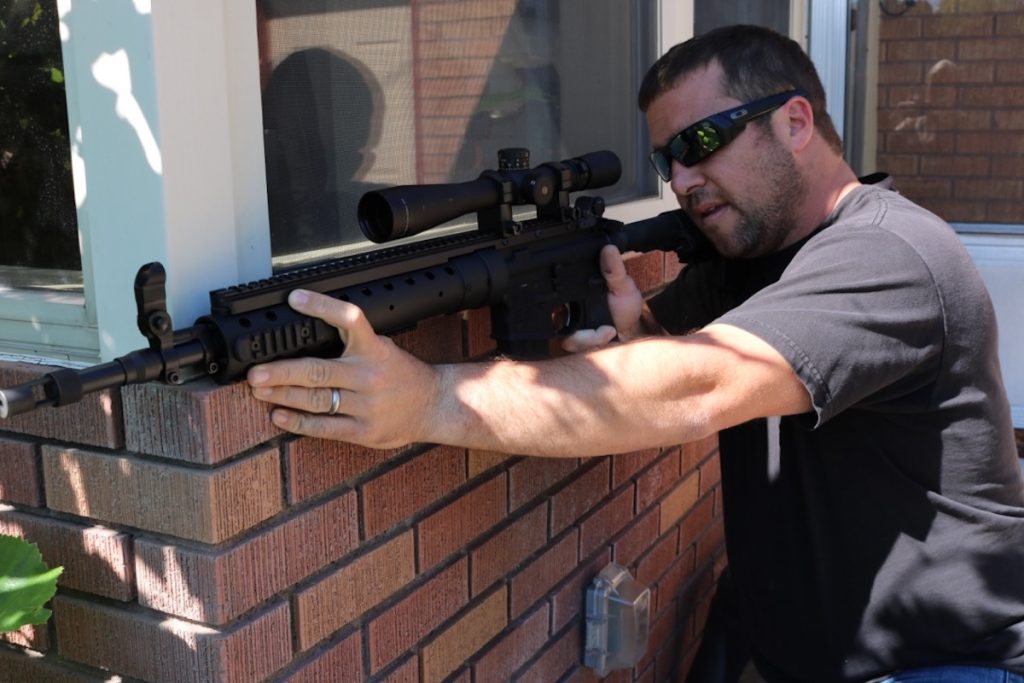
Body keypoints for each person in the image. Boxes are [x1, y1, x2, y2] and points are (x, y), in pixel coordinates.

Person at [247, 24, 1024, 683]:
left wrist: (428, 399)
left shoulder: (888, 255)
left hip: (942, 666)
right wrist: (632, 333)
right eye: (665, 161)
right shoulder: (755, 258)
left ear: (794, 122)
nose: (682, 180)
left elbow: (699, 386)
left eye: (701, 142)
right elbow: (661, 365)